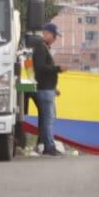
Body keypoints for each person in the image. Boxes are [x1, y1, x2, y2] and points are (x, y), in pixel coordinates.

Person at [32, 22, 64, 156]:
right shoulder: (40, 48)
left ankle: (47, 145)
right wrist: (58, 69)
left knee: (49, 118)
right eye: (54, 35)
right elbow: (41, 68)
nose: (55, 38)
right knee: (48, 120)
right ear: (47, 34)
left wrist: (54, 88)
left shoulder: (44, 48)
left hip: (48, 88)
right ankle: (49, 146)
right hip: (45, 89)